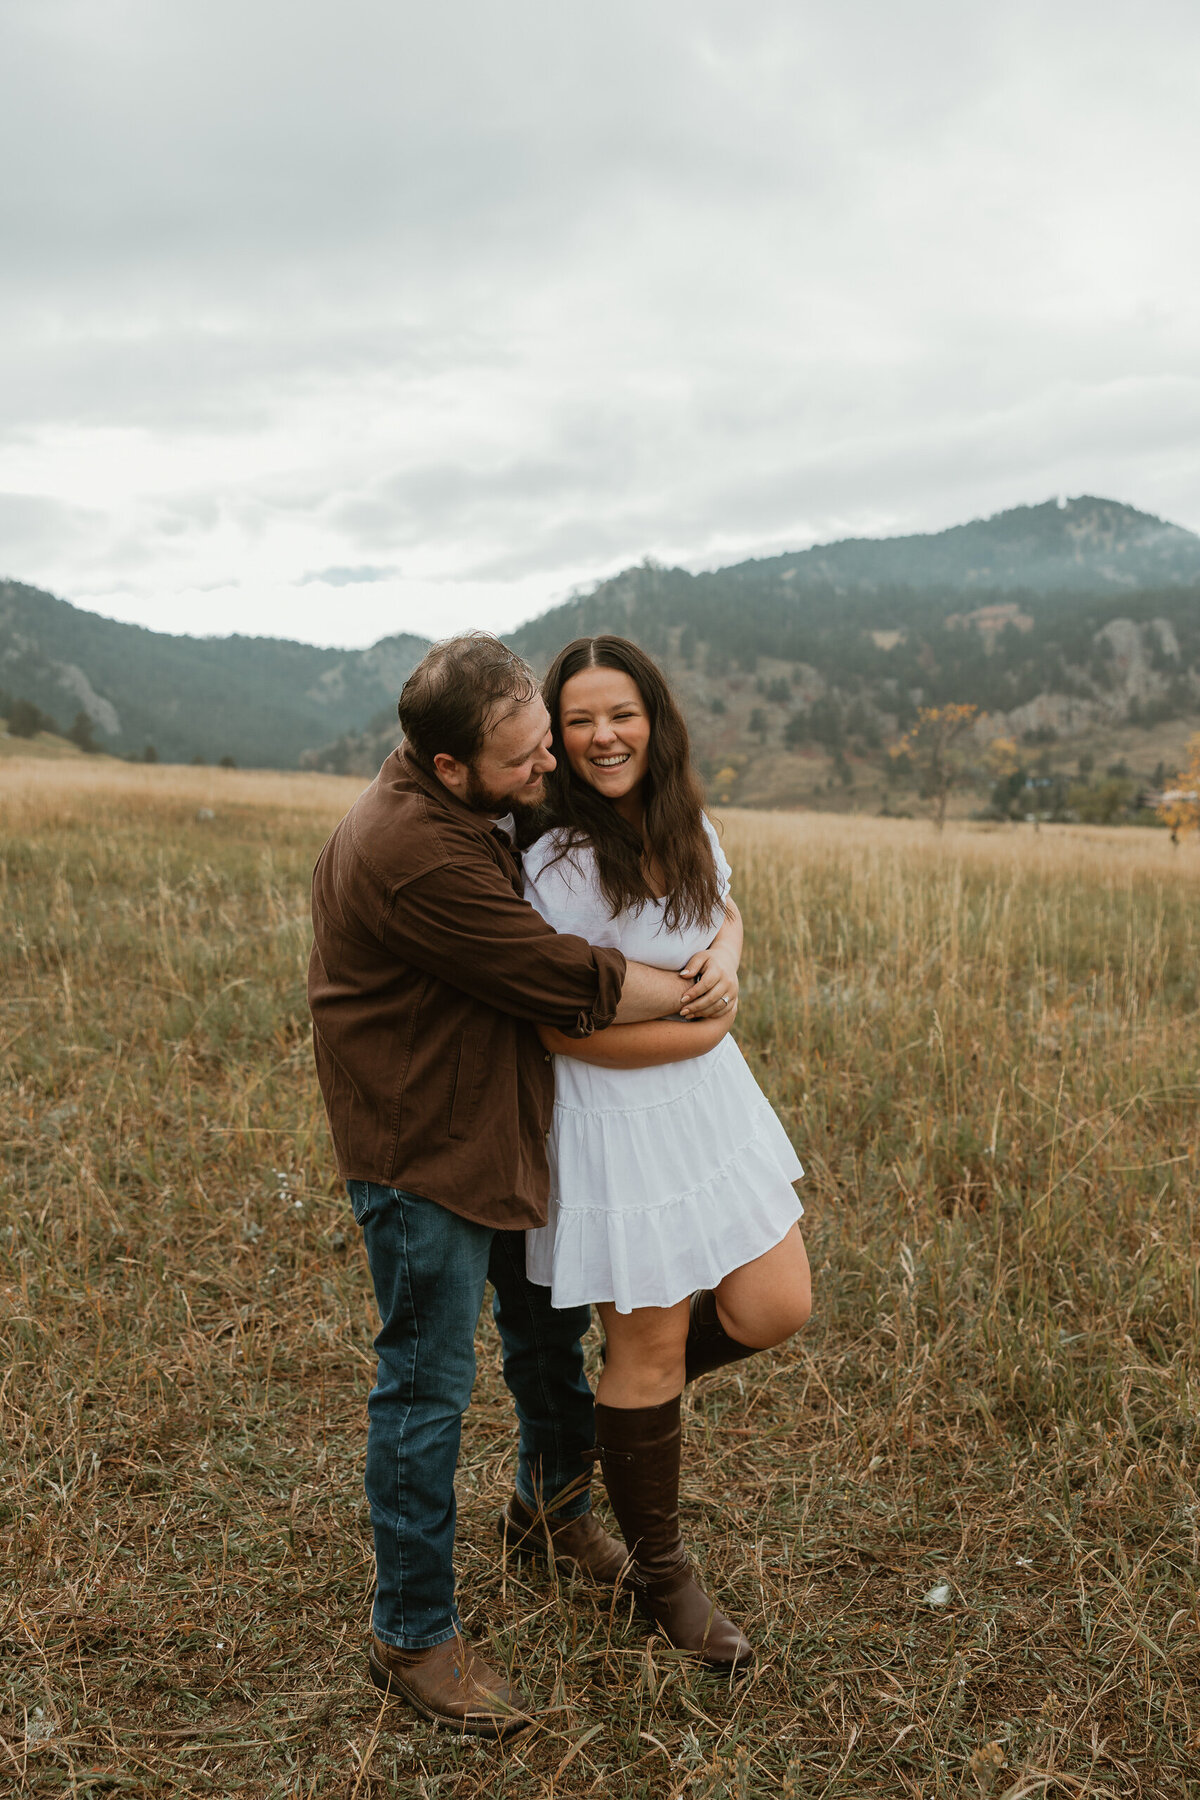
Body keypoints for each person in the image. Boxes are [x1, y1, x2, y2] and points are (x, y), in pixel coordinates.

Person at [307, 633, 735, 1738]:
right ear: (452, 767)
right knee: (426, 1385)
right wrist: (697, 997)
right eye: (525, 759)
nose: (549, 770)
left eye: (546, 744)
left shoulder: (485, 791)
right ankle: (411, 1634)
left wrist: (725, 933)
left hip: (508, 1120)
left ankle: (550, 1512)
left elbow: (667, 859)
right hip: (424, 1148)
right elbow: (563, 975)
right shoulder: (415, 850)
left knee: (546, 1341)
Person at [522, 635, 811, 1672]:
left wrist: (727, 962)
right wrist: (702, 1028)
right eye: (581, 720)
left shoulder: (686, 821)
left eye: (622, 714)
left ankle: (617, 1422)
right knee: (644, 1352)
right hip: (614, 1111)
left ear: (655, 719)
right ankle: (662, 1572)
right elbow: (561, 1026)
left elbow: (721, 907)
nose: (604, 736)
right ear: (553, 738)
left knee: (774, 1305)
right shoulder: (555, 863)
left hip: (708, 1105)